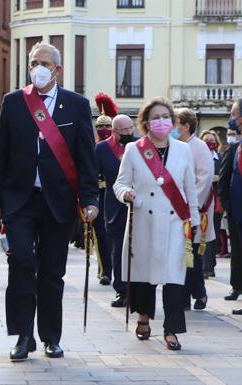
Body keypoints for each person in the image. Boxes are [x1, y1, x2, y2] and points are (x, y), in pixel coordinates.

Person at [0, 42, 99, 361]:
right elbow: (1, 153)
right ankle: (22, 335)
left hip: (58, 201)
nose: (38, 67)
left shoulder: (76, 105)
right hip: (20, 200)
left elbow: (85, 159)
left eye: (45, 63)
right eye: (34, 62)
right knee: (21, 262)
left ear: (58, 70)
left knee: (52, 271)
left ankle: (50, 336)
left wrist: (89, 199)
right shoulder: (13, 102)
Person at [113, 97, 199, 350]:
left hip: (175, 222)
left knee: (174, 276)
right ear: (146, 123)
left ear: (172, 121)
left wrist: (193, 220)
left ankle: (171, 328)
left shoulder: (183, 150)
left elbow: (190, 188)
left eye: (165, 117)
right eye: (155, 118)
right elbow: (120, 183)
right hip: (144, 220)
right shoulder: (134, 150)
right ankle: (143, 315)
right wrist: (126, 195)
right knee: (144, 274)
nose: (161, 122)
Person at [173, 108, 213, 311]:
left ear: (186, 126)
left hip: (194, 209)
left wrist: (189, 204)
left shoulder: (199, 147)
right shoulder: (175, 146)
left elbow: (204, 178)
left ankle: (199, 293)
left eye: (175, 122)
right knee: (179, 255)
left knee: (193, 255)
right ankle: (183, 295)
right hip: (175, 210)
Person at [96, 114, 137, 307]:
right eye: (124, 131)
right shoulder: (102, 149)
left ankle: (138, 290)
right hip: (113, 206)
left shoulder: (141, 145)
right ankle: (121, 290)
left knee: (138, 250)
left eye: (131, 128)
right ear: (114, 132)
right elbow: (92, 175)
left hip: (139, 204)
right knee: (117, 249)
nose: (129, 133)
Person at [219, 99, 242, 314]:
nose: (232, 119)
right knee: (238, 252)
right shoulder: (234, 149)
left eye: (234, 115)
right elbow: (224, 180)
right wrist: (228, 205)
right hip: (237, 211)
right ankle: (237, 286)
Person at [92, 93, 117, 286]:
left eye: (108, 126)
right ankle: (106, 270)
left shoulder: (122, 146)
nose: (104, 129)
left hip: (116, 194)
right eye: (100, 126)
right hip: (98, 194)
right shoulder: (94, 148)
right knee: (101, 233)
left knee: (115, 234)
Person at [200, 130, 223, 278]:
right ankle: (204, 266)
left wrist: (217, 178)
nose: (209, 142)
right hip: (201, 198)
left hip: (216, 201)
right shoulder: (198, 157)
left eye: (211, 140)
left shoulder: (220, 158)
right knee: (201, 233)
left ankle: (209, 265)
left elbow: (224, 175)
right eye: (206, 140)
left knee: (212, 234)